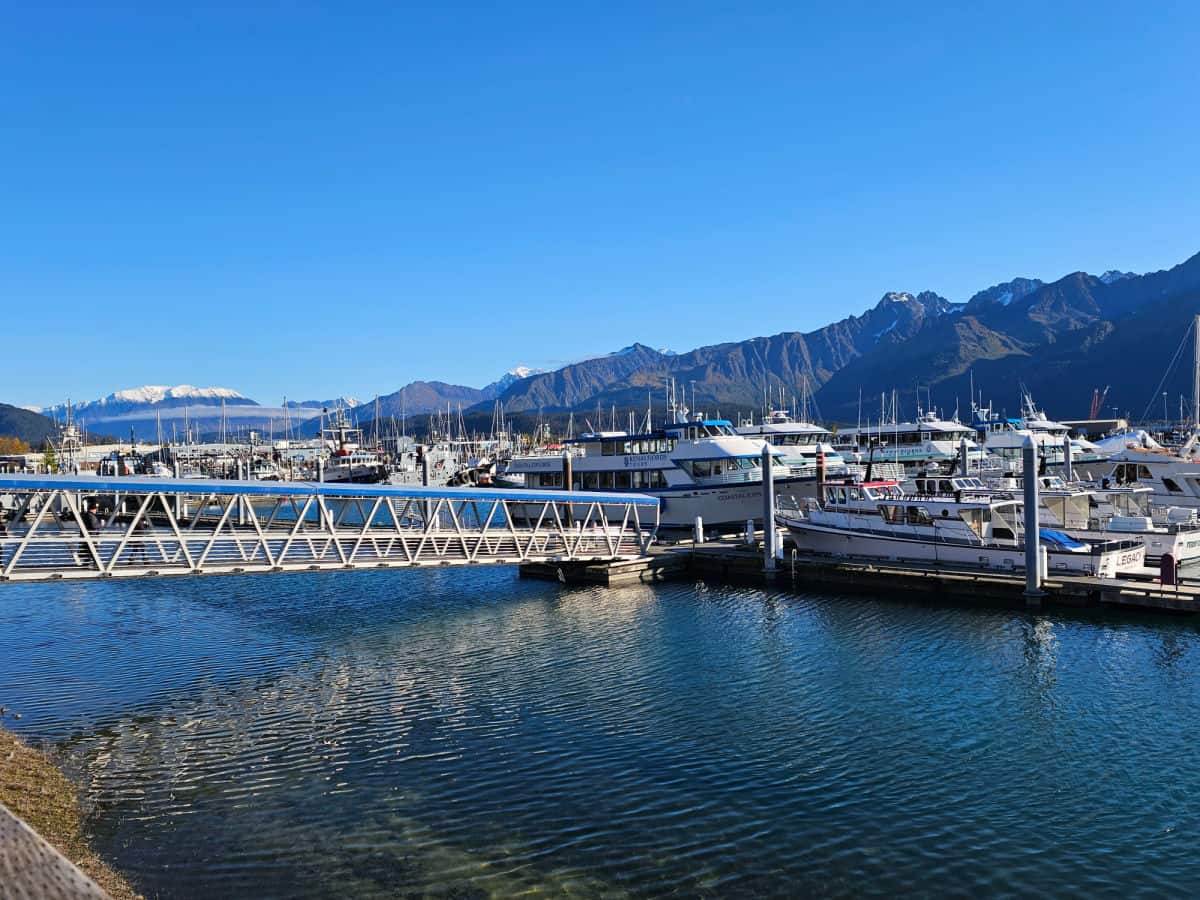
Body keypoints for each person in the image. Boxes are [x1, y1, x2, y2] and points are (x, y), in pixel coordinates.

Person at [76, 499, 102, 568]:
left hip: (87, 536)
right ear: (93, 509)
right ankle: (96, 564)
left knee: (88, 551)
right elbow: (94, 525)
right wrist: (101, 524)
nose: (96, 510)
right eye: (95, 509)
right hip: (91, 537)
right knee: (93, 551)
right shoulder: (91, 516)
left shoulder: (85, 515)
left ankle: (87, 563)